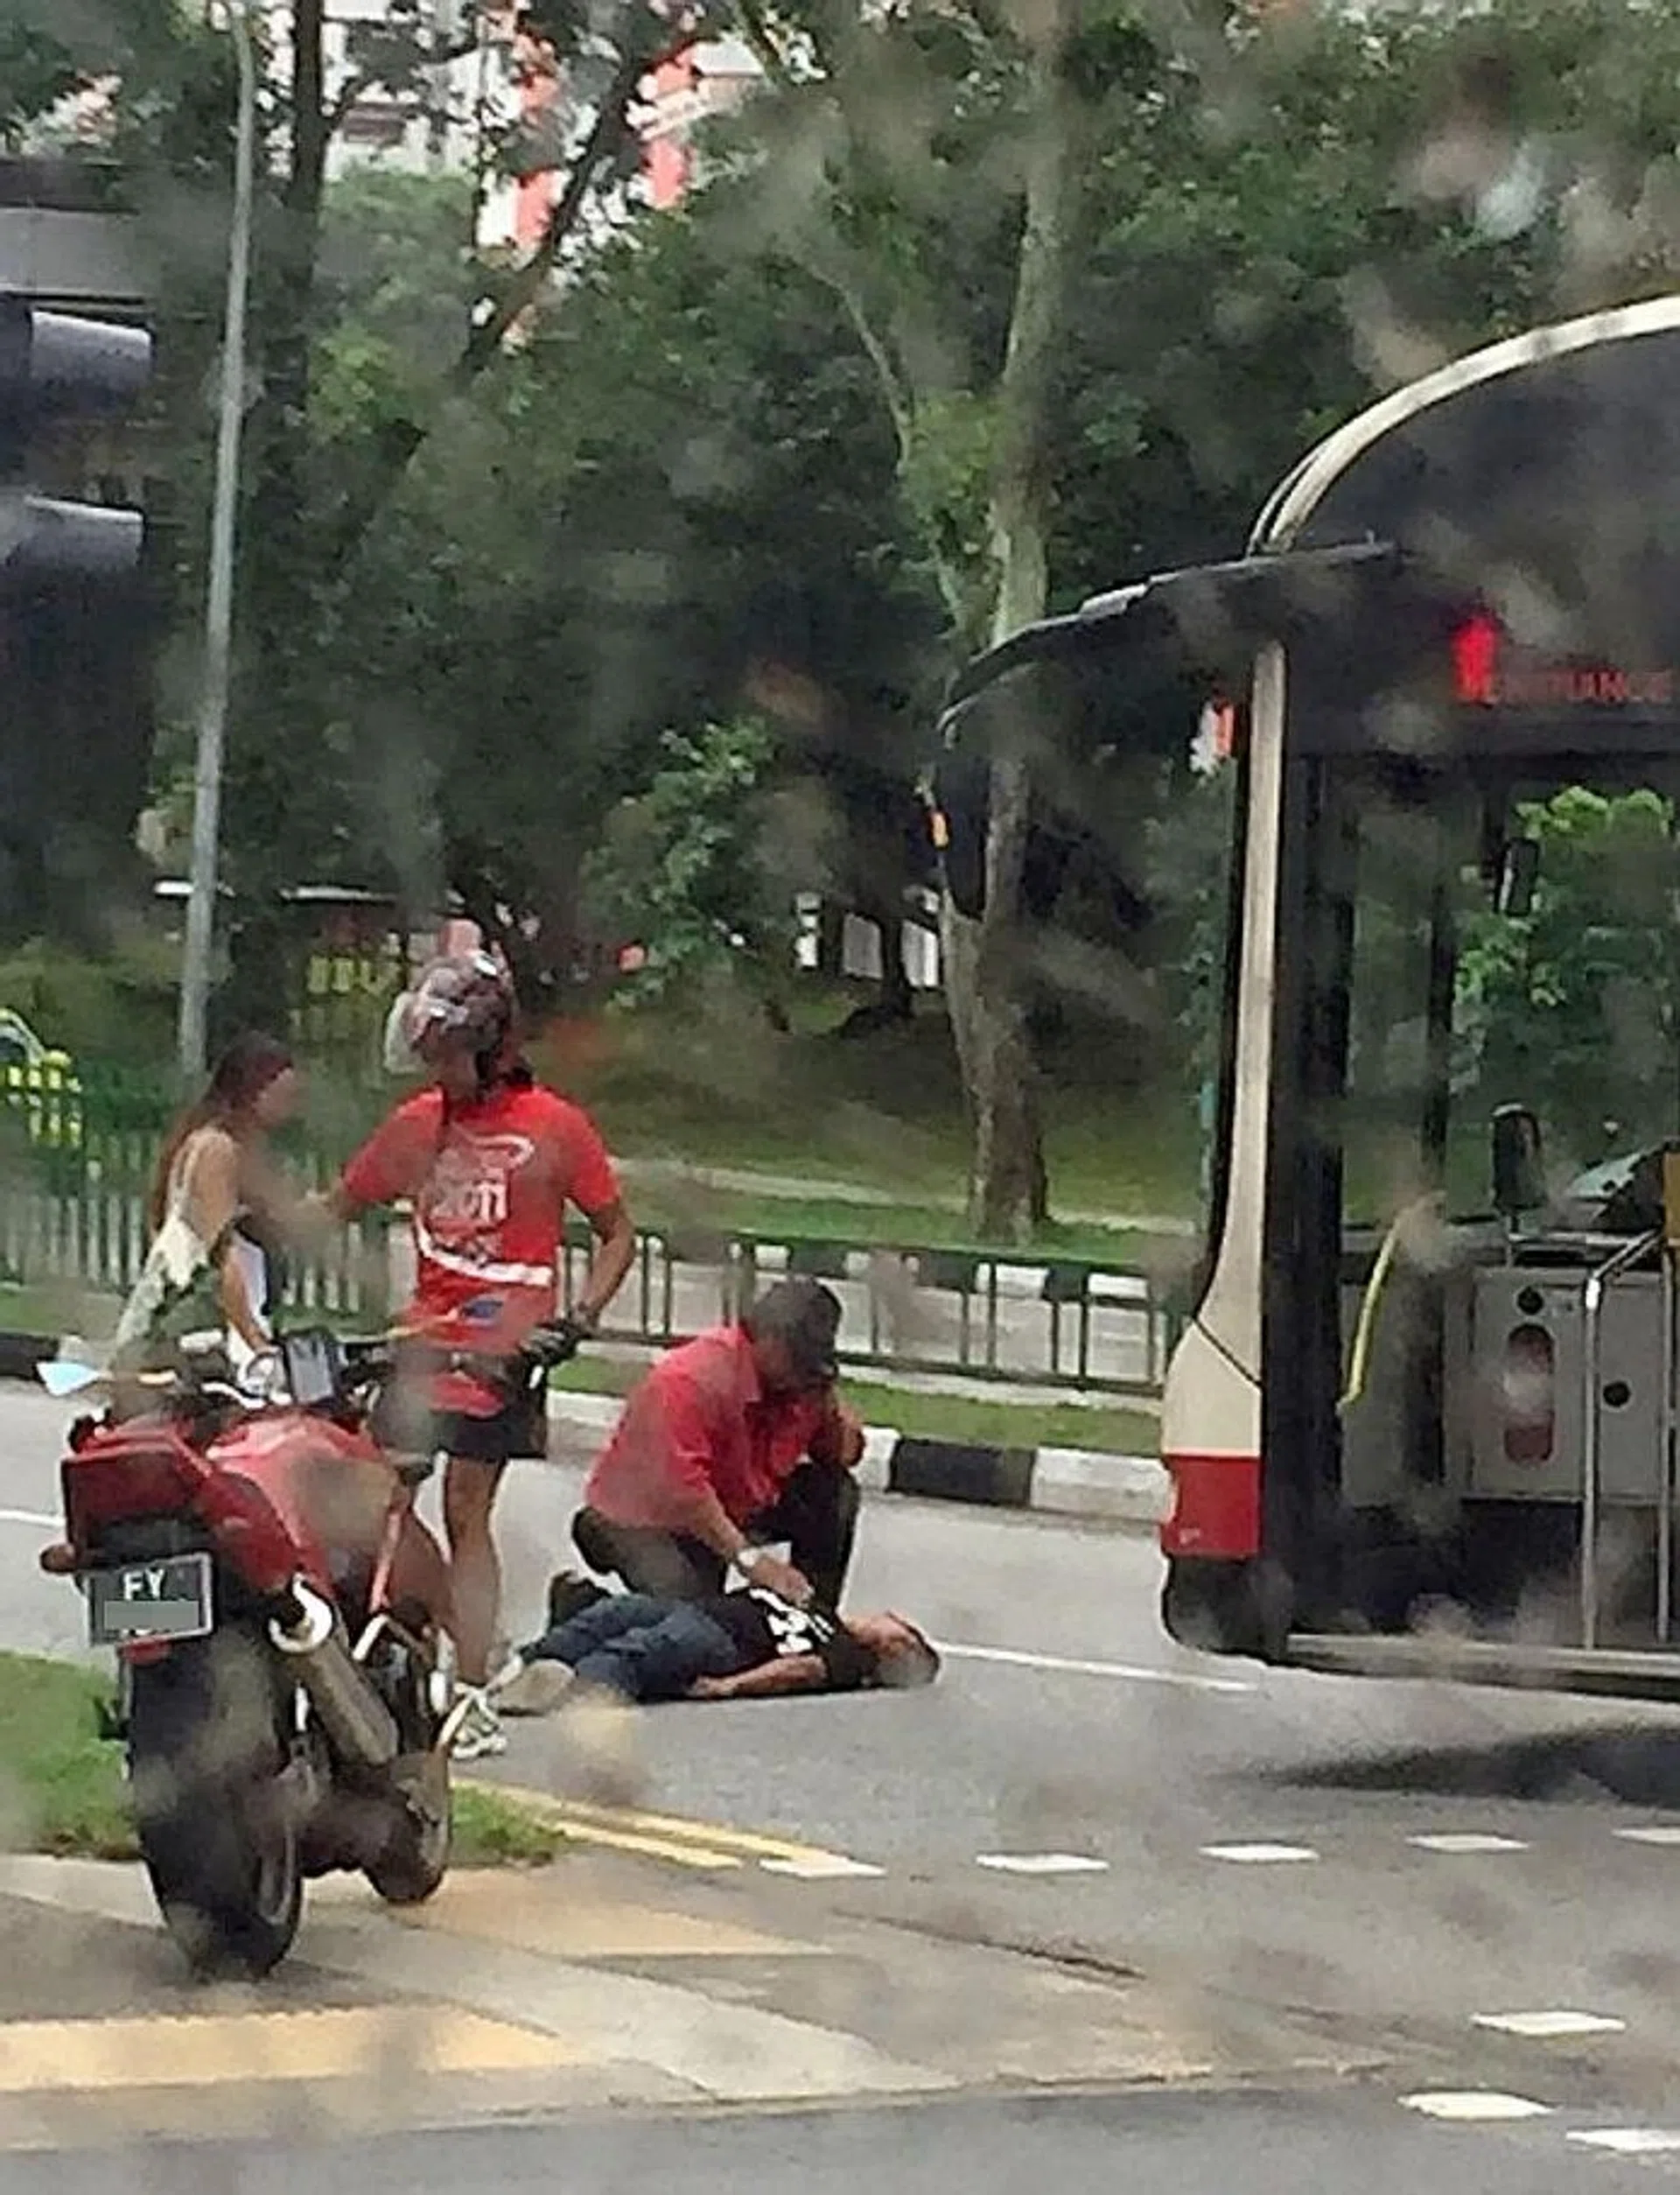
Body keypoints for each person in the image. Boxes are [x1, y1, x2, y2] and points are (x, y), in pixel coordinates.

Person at [325, 950, 636, 1760]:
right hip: (424, 1342)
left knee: (468, 1509)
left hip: (504, 1352)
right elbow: (338, 1204)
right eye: (428, 1055)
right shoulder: (417, 1125)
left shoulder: (555, 1129)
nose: (437, 1070)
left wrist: (581, 1317)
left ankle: (470, 1696)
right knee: (382, 1498)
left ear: (495, 1046)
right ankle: (438, 1643)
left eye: (449, 1053)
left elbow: (616, 1233)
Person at [571, 1278, 864, 1610]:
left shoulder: (799, 1382)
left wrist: (830, 1411)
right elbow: (685, 1493)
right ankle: (583, 1606)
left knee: (833, 1493)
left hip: (733, 1502)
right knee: (693, 1623)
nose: (801, 1370)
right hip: (642, 1519)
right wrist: (753, 1563)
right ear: (767, 1340)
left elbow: (839, 1457)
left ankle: (814, 1619)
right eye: (796, 1357)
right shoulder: (694, 1379)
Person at [111, 1033, 303, 1377]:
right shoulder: (217, 1150)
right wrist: (257, 1343)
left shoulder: (244, 1152)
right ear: (253, 1092)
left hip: (214, 1334)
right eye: (283, 1095)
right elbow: (220, 1255)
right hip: (195, 1341)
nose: (291, 1107)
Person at [494, 1583, 939, 1711]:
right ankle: (512, 1671)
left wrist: (731, 1686)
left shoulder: (849, 1656)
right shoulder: (823, 1612)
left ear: (896, 1647)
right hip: (699, 1608)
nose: (892, 1618)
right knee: (612, 1614)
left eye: (903, 1633)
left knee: (640, 1651)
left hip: (725, 1642)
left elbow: (800, 1670)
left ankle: (569, 1691)